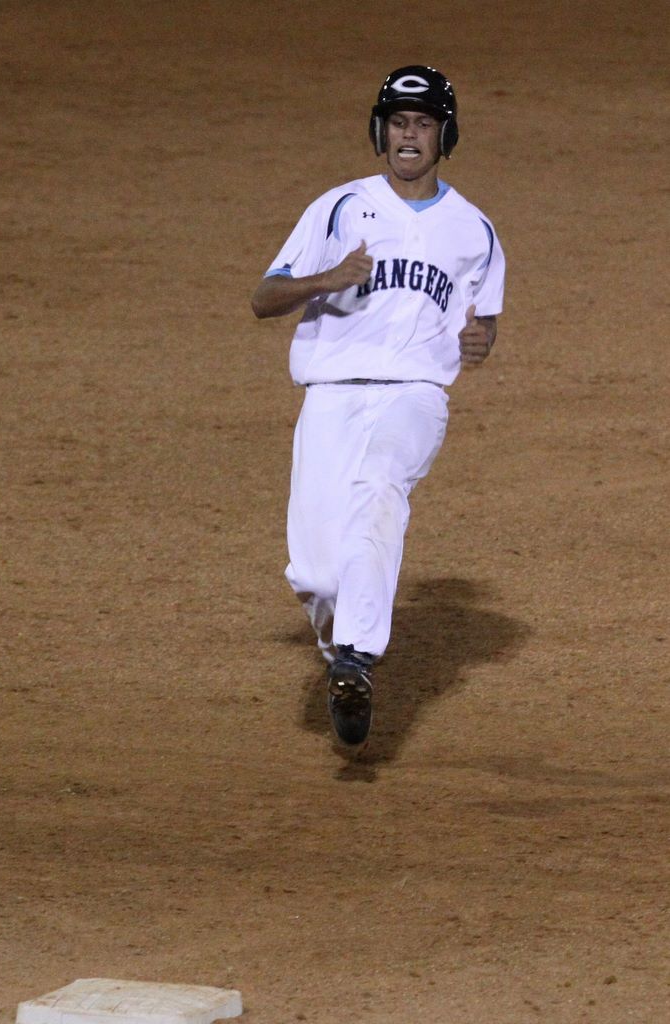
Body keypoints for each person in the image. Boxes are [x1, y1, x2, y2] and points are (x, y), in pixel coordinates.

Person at [251, 65, 505, 747]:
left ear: (445, 135)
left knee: (378, 491)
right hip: (330, 397)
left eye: (422, 123)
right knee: (316, 574)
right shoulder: (338, 207)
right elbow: (263, 299)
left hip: (415, 396)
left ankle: (358, 657)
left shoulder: (474, 229)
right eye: (397, 122)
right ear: (380, 131)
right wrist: (327, 278)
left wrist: (480, 342)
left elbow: (482, 322)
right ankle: (342, 661)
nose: (408, 135)